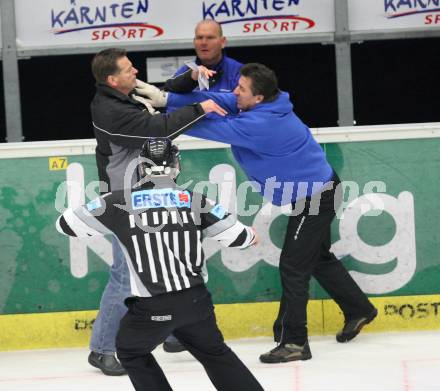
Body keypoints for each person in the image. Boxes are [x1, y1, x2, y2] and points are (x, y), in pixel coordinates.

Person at [137, 63, 378, 363]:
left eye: (242, 89)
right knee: (314, 256)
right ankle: (359, 309)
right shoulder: (270, 102)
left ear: (259, 98)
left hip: (317, 197)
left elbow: (206, 124)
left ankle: (294, 342)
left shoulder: (261, 126)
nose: (235, 92)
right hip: (316, 189)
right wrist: (166, 99)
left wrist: (161, 118)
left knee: (293, 265)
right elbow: (223, 100)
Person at [56, 138, 264, 391]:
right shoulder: (194, 200)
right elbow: (240, 237)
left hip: (153, 306)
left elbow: (65, 224)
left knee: (130, 350)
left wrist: (107, 217)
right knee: (215, 353)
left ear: (140, 167)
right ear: (176, 165)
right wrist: (252, 235)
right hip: (196, 302)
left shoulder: (117, 202)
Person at [87, 47, 226, 376]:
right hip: (127, 201)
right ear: (111, 78)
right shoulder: (109, 109)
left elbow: (162, 90)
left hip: (154, 195)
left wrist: (191, 77)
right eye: (128, 68)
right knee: (126, 276)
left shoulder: (124, 92)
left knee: (169, 264)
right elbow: (158, 128)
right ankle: (102, 349)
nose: (135, 72)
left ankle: (177, 333)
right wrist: (201, 107)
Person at [164, 19, 242, 93]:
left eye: (210, 37)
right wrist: (190, 78)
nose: (204, 42)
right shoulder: (186, 71)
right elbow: (167, 94)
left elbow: (245, 104)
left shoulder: (238, 72)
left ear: (223, 42)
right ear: (194, 42)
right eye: (199, 38)